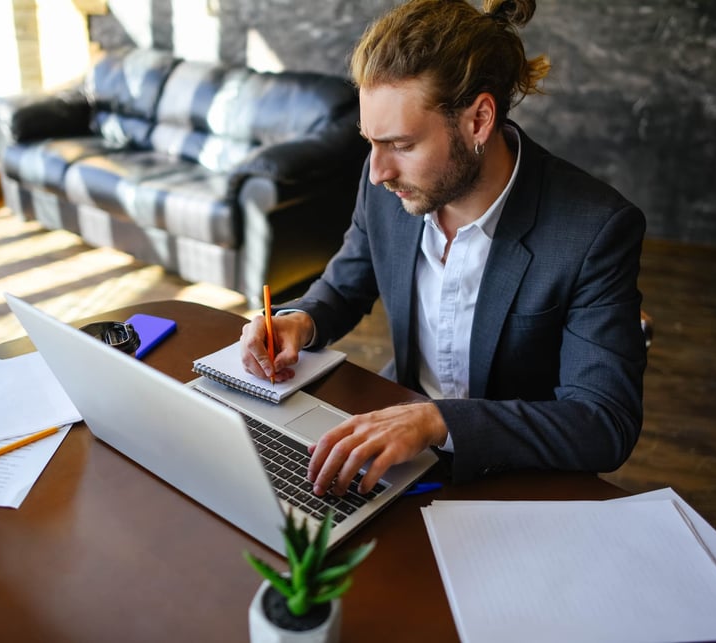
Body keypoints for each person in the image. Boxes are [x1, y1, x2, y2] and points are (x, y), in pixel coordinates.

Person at [239, 0, 647, 498]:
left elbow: (603, 424)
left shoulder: (594, 230)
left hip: (515, 475)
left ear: (478, 120)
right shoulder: (389, 186)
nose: (378, 172)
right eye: (371, 141)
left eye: (402, 145)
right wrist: (301, 320)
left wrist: (437, 421)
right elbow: (347, 282)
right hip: (399, 448)